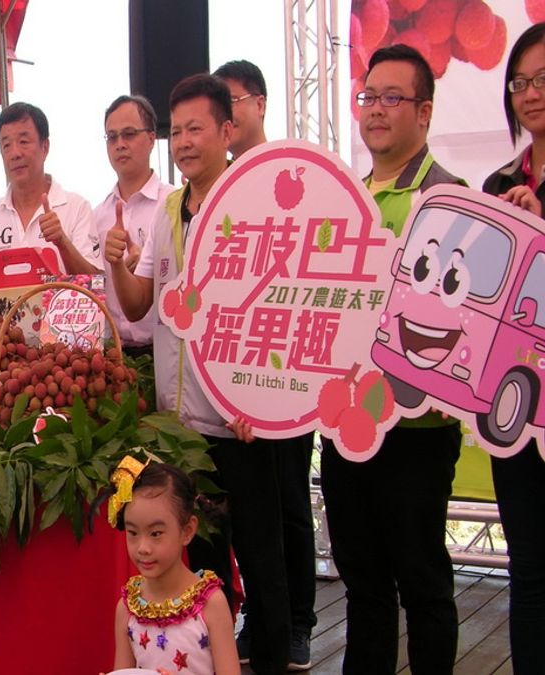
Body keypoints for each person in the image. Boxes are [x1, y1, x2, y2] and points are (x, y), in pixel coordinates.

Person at [319, 44, 464, 674]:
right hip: (346, 427)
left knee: (423, 582)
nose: (375, 110)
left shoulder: (452, 200)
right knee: (364, 586)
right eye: (367, 97)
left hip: (417, 431)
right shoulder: (342, 200)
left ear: (424, 112)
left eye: (391, 98)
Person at [106, 73, 240, 645]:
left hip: (242, 422)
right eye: (179, 130)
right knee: (200, 557)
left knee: (257, 551)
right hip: (181, 420)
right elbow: (141, 303)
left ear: (226, 131)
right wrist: (118, 263)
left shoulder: (251, 205)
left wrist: (257, 398)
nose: (185, 141)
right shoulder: (167, 212)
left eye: (197, 128)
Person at [213, 58, 319, 672]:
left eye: (233, 102)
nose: (226, 116)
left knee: (287, 499)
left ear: (259, 104)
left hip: (290, 365)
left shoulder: (293, 174)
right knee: (242, 511)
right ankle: (251, 621)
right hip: (234, 372)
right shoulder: (219, 186)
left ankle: (299, 622)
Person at [482, 22, 545, 673]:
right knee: (528, 565)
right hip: (517, 402)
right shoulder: (496, 182)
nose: (530, 93)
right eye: (521, 82)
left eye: (543, 78)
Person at [107, 457, 239, 675]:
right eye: (132, 533)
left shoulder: (210, 604)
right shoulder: (127, 606)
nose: (143, 547)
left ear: (187, 531)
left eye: (156, 534)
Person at [0, 102, 100, 274]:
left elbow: (96, 285)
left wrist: (62, 242)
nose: (15, 153)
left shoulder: (77, 208)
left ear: (45, 147)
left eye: (24, 141)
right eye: (6, 145)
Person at [96, 94, 174, 357]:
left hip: (166, 351)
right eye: (112, 137)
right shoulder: (97, 216)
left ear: (152, 139)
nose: (120, 144)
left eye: (129, 134)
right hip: (112, 355)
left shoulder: (173, 205)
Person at [214, 59, 268, 158]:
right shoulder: (218, 173)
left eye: (230, 101)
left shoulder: (289, 167)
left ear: (260, 105)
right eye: (217, 107)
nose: (222, 114)